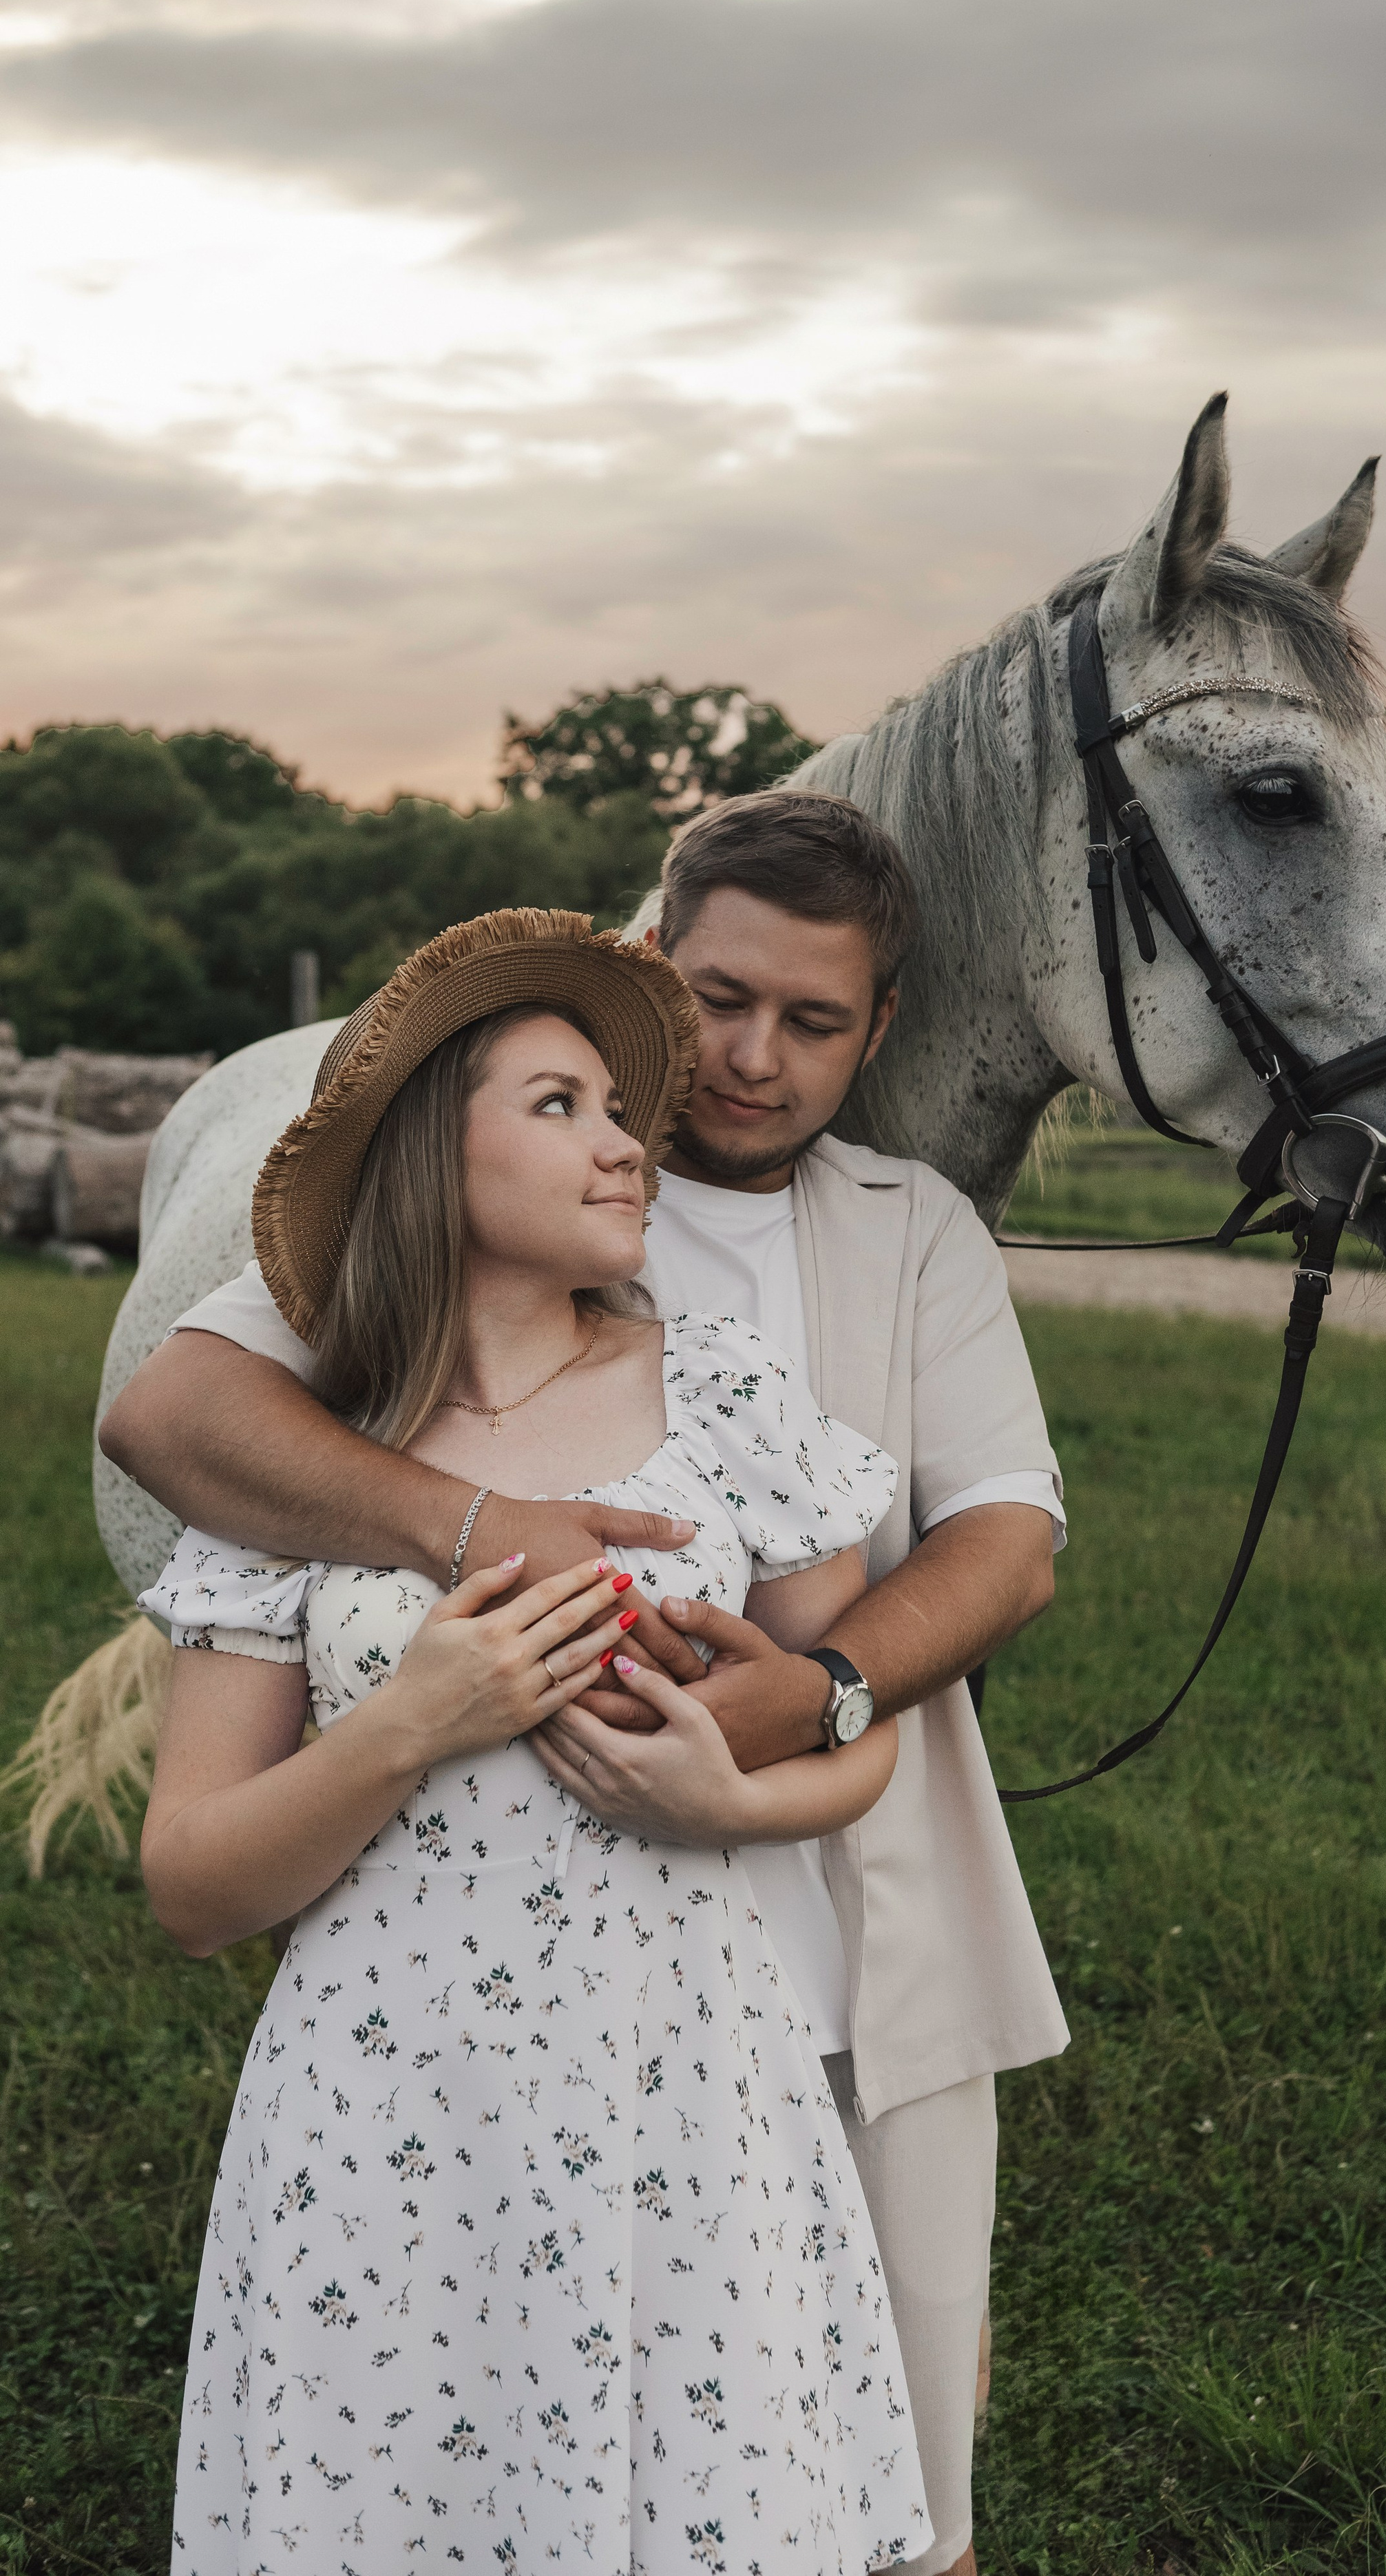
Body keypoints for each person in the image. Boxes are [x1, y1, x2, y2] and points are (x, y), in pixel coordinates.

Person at [103, 792, 1071, 2576]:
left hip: (754, 1987)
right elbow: (173, 1420)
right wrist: (467, 1567)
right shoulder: (340, 1352)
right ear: (650, 968)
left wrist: (819, 1701)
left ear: (875, 1035)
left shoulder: (871, 1266)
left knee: (849, 2442)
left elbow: (1011, 1531)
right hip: (414, 2060)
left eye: (817, 1021)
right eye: (715, 1003)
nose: (749, 1062)